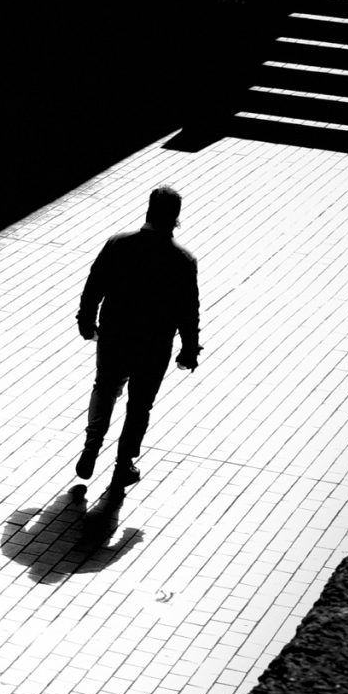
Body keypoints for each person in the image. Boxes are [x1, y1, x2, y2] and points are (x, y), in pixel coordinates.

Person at [74, 186, 199, 487]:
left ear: (148, 211)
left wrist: (86, 320)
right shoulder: (182, 260)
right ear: (176, 219)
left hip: (115, 334)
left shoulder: (118, 244)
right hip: (154, 344)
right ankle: (124, 463)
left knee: (104, 387)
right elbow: (188, 311)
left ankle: (91, 447)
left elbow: (94, 287)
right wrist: (189, 350)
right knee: (140, 404)